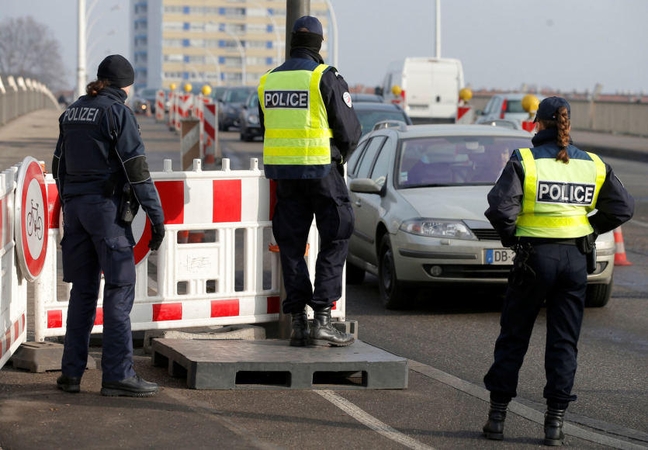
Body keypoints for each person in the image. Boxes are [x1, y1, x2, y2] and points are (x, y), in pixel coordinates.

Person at [481, 96, 634, 445]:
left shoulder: (526, 161)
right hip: (575, 262)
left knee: (514, 338)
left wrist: (513, 239)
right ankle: (555, 426)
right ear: (567, 123)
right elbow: (623, 207)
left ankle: (497, 419)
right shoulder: (593, 164)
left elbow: (500, 207)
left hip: (534, 259)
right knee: (564, 343)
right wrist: (591, 228)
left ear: (539, 124)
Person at [52, 54, 166, 397]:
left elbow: (59, 165)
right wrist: (157, 219)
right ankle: (118, 375)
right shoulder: (118, 112)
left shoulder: (72, 111)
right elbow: (137, 169)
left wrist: (70, 204)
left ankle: (71, 375)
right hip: (106, 212)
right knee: (119, 289)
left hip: (76, 212)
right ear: (125, 85)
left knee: (83, 294)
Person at [258, 16, 361, 347]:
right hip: (320, 171)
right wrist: (340, 156)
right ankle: (323, 320)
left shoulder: (268, 81)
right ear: (318, 43)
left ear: (291, 41)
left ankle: (299, 323)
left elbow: (267, 125)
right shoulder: (323, 77)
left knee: (291, 247)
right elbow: (349, 131)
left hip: (284, 176)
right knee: (337, 236)